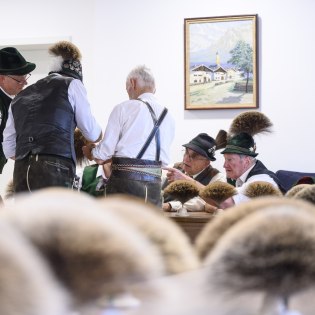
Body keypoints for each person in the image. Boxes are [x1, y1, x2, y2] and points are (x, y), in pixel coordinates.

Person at [2, 41, 102, 193]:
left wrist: (31, 155)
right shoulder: (72, 84)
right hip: (56, 168)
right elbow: (91, 132)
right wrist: (99, 135)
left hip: (22, 171)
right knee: (55, 217)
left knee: (27, 217)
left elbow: (9, 149)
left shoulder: (19, 97)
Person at [83, 65, 175, 206]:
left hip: (125, 185)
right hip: (154, 186)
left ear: (132, 83)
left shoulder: (124, 108)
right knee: (148, 228)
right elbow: (164, 161)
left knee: (121, 227)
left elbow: (103, 154)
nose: (128, 92)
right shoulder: (168, 116)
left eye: (127, 88)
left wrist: (90, 151)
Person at [162, 132, 226, 212]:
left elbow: (200, 202)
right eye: (186, 153)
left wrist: (169, 206)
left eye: (193, 156)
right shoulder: (173, 168)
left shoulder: (217, 178)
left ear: (207, 163)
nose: (186, 159)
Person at [220, 132, 284, 209]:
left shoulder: (261, 180)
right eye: (225, 159)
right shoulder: (238, 179)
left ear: (246, 161)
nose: (224, 165)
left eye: (229, 160)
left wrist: (201, 188)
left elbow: (225, 202)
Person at [0, 47, 36, 174]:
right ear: (2, 78)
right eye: (19, 80)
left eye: (26, 77)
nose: (25, 83)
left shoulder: (14, 102)